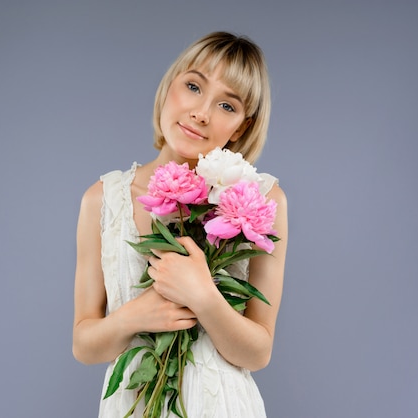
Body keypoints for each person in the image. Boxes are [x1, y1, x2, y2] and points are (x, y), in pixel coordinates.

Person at [73, 31, 288, 417]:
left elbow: (258, 352)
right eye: (193, 86)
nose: (202, 112)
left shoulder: (263, 199)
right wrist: (135, 316)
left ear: (240, 127)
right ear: (169, 85)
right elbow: (84, 345)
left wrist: (204, 296)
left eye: (227, 105)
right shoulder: (102, 199)